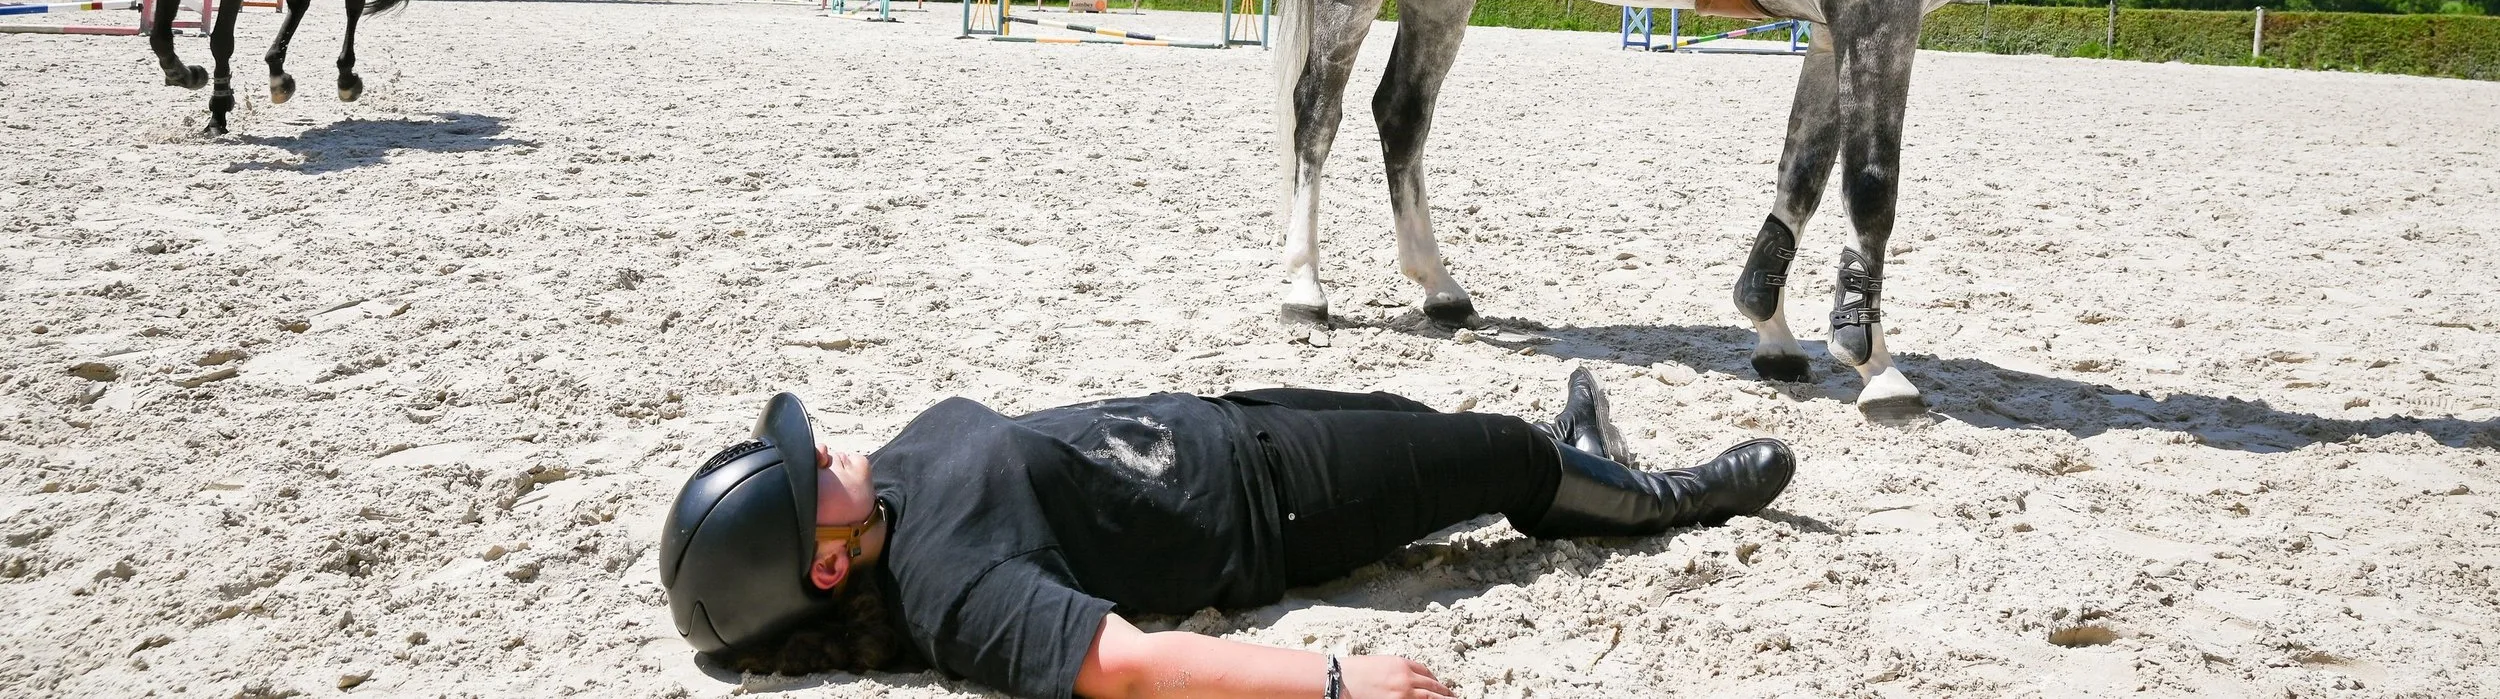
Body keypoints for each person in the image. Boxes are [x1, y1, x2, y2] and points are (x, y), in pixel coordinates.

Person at [661, 371, 1795, 699]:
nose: (827, 449)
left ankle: (1568, 461)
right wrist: (1337, 679)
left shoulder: (887, 491)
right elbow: (1121, 663)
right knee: (1495, 451)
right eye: (813, 472)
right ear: (826, 559)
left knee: (1421, 425)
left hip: (1218, 421)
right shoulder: (954, 589)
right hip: (1271, 506)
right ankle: (1665, 496)